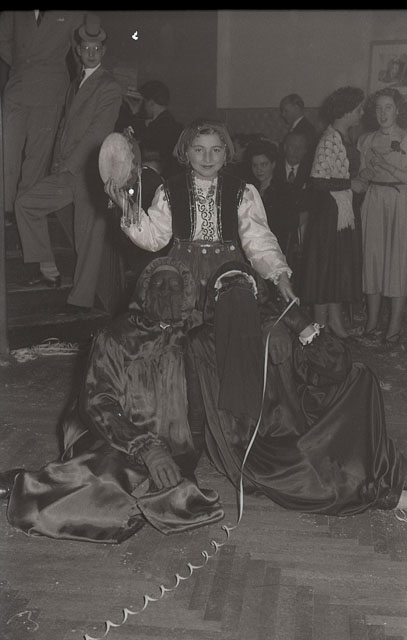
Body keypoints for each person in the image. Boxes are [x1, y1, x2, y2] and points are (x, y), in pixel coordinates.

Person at [0, 257, 224, 544]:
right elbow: (98, 401)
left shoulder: (194, 338)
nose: (166, 292)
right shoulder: (116, 335)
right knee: (104, 490)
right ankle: (27, 486)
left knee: (176, 499)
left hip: (174, 447)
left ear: (187, 294)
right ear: (144, 292)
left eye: (174, 285)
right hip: (115, 437)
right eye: (158, 284)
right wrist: (146, 448)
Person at [187, 260, 407, 518]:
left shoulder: (273, 328)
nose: (236, 298)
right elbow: (197, 410)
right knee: (307, 466)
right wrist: (186, 462)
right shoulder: (201, 342)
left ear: (256, 295)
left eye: (243, 289)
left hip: (294, 421)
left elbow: (335, 369)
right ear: (214, 299)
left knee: (360, 377)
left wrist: (301, 325)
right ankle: (380, 493)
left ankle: (378, 469)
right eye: (226, 289)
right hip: (249, 448)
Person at [104, 118, 297, 320]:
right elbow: (154, 238)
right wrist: (127, 207)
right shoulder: (169, 190)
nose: (207, 157)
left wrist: (280, 275)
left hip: (227, 273)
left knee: (227, 325)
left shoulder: (242, 191)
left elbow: (259, 240)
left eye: (216, 150)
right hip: (183, 273)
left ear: (225, 153)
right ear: (186, 152)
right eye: (198, 149)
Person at [14, 14, 123, 311]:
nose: (91, 53)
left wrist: (68, 164)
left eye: (96, 49)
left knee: (88, 240)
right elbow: (64, 128)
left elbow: (97, 132)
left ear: (103, 51)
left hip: (91, 172)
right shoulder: (75, 83)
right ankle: (47, 265)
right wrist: (57, 163)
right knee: (26, 204)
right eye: (86, 48)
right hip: (68, 171)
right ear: (77, 50)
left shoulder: (109, 86)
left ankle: (81, 300)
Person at [0, 10, 85, 216]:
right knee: (6, 154)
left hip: (50, 91)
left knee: (37, 159)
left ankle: (24, 211)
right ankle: (5, 209)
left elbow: (79, 50)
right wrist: (22, 63)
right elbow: (2, 40)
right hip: (18, 86)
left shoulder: (71, 14)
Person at [299, 86, 365, 339]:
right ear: (346, 111)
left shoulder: (342, 136)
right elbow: (318, 180)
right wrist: (350, 183)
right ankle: (320, 326)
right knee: (325, 268)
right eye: (358, 109)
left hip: (341, 210)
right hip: (329, 213)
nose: (361, 113)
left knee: (336, 267)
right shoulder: (329, 139)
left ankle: (335, 322)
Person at [356, 87, 407, 347]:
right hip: (374, 200)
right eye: (378, 108)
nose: (383, 113)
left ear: (397, 110)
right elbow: (362, 178)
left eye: (388, 107)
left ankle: (394, 326)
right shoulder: (366, 140)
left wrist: (386, 165)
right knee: (373, 261)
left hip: (400, 201)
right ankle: (372, 322)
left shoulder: (406, 139)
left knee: (397, 262)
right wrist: (363, 175)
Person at [270, 131, 313, 287]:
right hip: (277, 226)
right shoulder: (273, 168)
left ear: (306, 150)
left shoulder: (311, 171)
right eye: (292, 147)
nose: (296, 151)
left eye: (300, 148)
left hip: (302, 226)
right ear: (285, 147)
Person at [137, 79, 184, 179]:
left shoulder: (158, 127)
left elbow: (150, 154)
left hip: (157, 178)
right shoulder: (173, 124)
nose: (143, 107)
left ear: (150, 102)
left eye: (144, 102)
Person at [278, 93, 318, 165]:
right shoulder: (300, 126)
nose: (283, 114)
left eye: (286, 111)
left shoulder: (305, 128)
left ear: (296, 108)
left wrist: (277, 146)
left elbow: (298, 153)